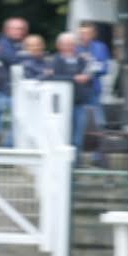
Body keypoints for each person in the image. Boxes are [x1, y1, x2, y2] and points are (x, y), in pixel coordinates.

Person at [29, 32, 97, 162]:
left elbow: (89, 78)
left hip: (79, 102)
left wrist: (86, 79)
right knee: (61, 135)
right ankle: (61, 164)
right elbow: (51, 77)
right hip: (60, 106)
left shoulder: (82, 60)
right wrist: (74, 78)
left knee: (77, 137)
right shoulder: (54, 60)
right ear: (59, 45)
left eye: (71, 44)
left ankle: (75, 165)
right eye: (65, 44)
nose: (68, 47)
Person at [77, 20, 113, 147]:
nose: (84, 36)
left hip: (94, 90)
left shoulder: (100, 47)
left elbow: (105, 68)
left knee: (99, 123)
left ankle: (100, 155)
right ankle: (79, 153)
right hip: (78, 92)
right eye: (82, 33)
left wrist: (90, 72)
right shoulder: (75, 48)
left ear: (93, 34)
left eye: (88, 33)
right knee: (80, 123)